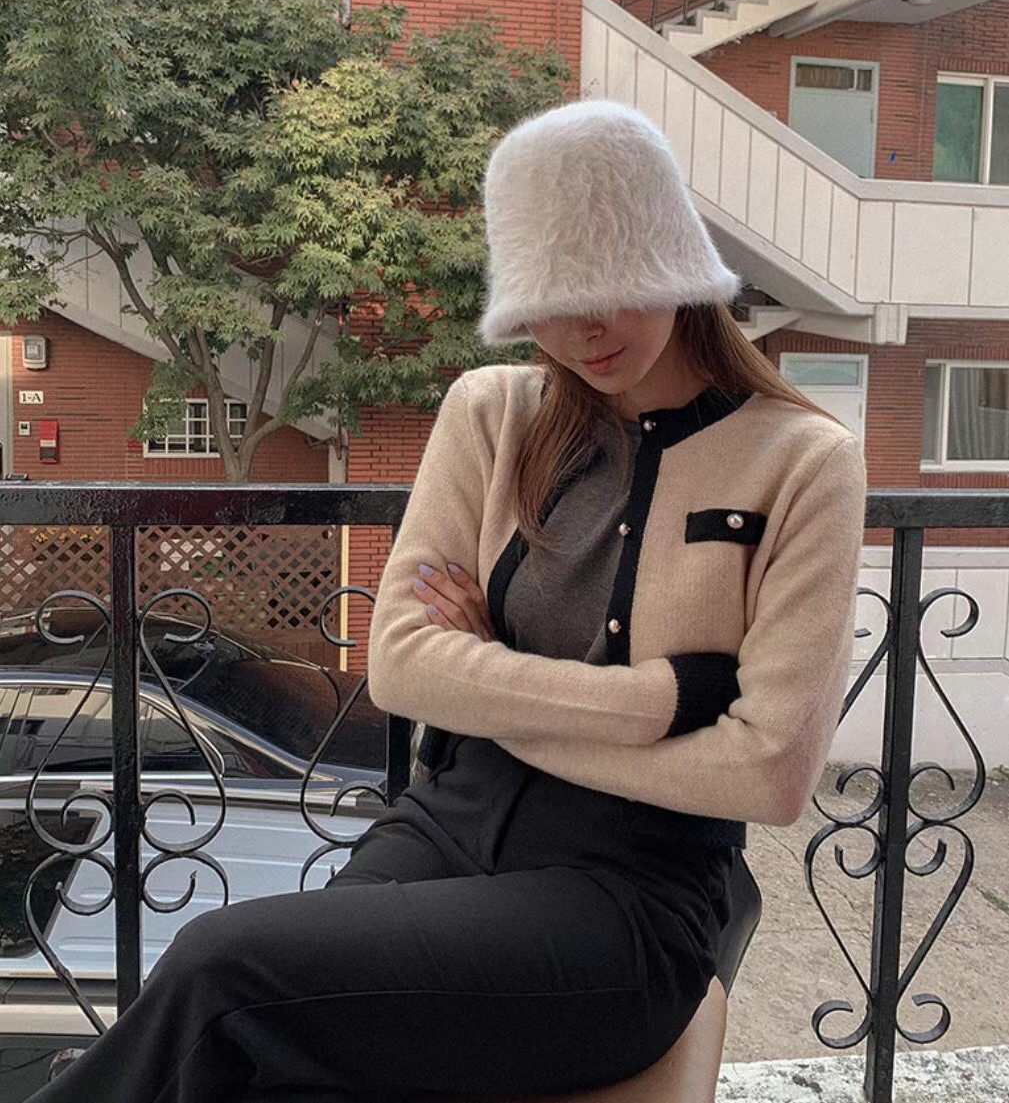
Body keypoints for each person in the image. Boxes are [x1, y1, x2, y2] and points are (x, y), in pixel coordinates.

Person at [28, 98, 867, 1103]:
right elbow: (403, 665)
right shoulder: (494, 414)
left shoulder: (803, 462)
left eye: (613, 283)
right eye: (547, 300)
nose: (581, 328)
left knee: (223, 969)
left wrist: (492, 693)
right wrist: (659, 701)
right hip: (442, 826)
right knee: (277, 1070)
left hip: (628, 898)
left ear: (676, 262)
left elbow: (768, 774)